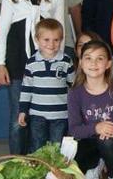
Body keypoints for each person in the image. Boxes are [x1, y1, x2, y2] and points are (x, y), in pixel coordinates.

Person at [0, 0, 65, 154]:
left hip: (46, 65)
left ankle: (42, 164)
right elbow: (3, 30)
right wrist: (0, 63)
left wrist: (59, 64)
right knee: (19, 117)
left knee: (43, 118)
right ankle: (18, 162)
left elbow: (60, 33)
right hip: (17, 63)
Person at [68, 39, 113, 179]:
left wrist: (111, 128)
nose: (94, 63)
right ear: (80, 63)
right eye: (88, 58)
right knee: (76, 157)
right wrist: (96, 127)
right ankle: (95, 163)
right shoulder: (75, 93)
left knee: (107, 139)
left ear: (108, 64)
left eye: (100, 58)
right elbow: (74, 130)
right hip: (88, 140)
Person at [18, 18, 75, 152]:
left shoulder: (66, 61)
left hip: (60, 115)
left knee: (57, 148)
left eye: (56, 40)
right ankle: (40, 172)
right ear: (37, 39)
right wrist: (22, 111)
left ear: (61, 40)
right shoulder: (31, 63)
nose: (52, 44)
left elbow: (73, 86)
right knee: (37, 147)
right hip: (37, 114)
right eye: (46, 40)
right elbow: (26, 89)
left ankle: (55, 173)